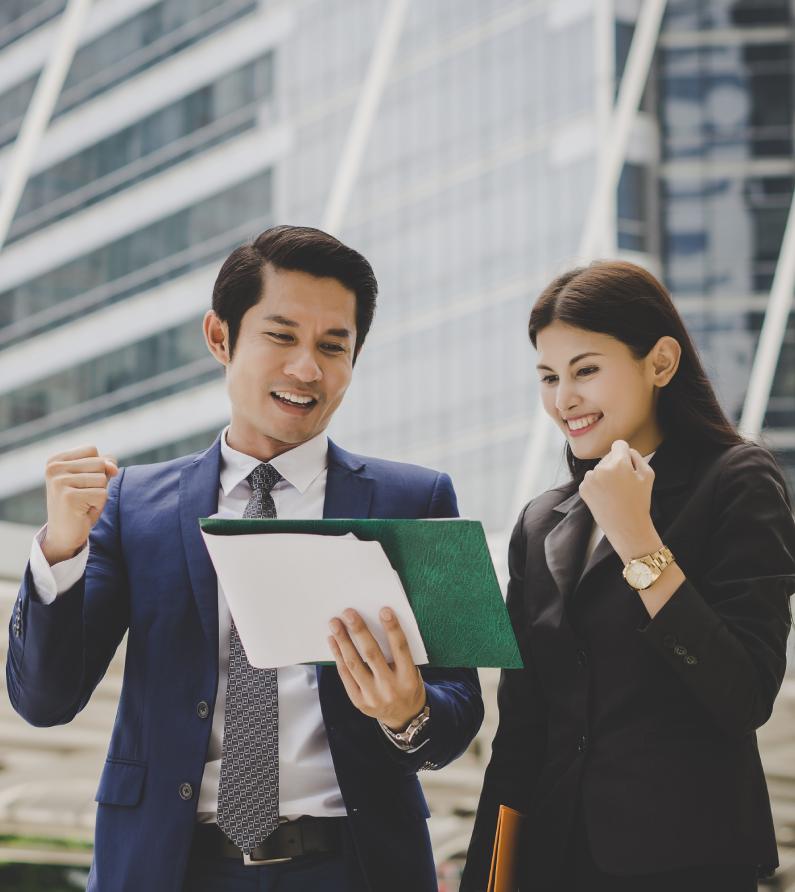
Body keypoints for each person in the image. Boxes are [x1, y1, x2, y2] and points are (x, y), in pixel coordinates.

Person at [6, 225, 484, 892]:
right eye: (281, 336)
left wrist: (409, 711)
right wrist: (59, 549)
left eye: (331, 346)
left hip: (355, 867)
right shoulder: (130, 504)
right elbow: (44, 702)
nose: (306, 369)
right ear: (220, 337)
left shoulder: (423, 497)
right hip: (166, 868)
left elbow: (462, 708)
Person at [461, 260, 795, 892]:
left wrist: (638, 540)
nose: (564, 399)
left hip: (688, 861)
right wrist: (488, 879)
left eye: (586, 370)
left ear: (661, 363)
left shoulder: (738, 482)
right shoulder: (539, 524)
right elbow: (523, 731)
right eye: (549, 377)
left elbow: (745, 692)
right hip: (555, 862)